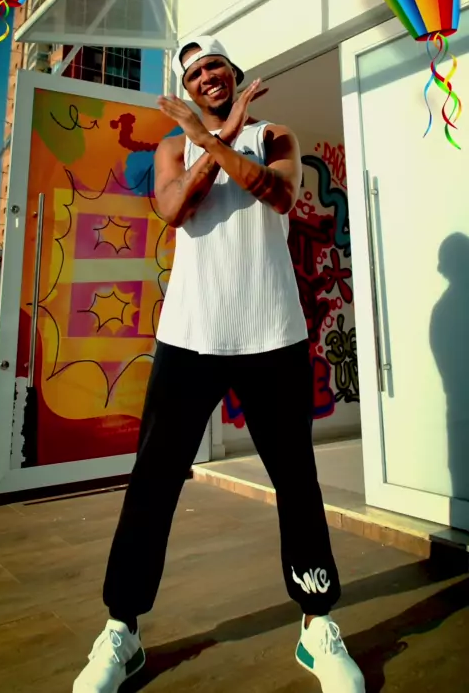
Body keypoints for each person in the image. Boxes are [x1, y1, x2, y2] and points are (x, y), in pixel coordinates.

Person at [73, 36, 365, 693]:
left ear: (234, 74)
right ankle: (122, 629)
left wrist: (220, 137)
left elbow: (279, 196)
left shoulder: (275, 136)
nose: (207, 77)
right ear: (188, 86)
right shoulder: (171, 148)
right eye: (195, 73)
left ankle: (317, 621)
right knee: (153, 481)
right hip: (190, 334)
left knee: (297, 479)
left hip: (273, 333)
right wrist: (211, 140)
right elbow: (175, 208)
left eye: (215, 67)